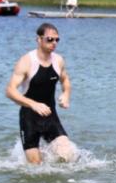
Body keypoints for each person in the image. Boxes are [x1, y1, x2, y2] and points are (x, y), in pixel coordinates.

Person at [6, 23, 76, 164]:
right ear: (39, 39)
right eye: (50, 39)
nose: (54, 43)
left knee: (68, 154)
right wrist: (33, 104)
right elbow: (10, 90)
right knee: (35, 166)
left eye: (57, 40)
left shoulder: (58, 60)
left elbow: (65, 80)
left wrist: (66, 94)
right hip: (29, 118)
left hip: (50, 116)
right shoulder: (27, 61)